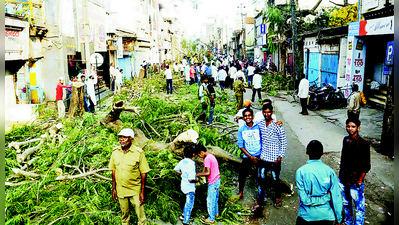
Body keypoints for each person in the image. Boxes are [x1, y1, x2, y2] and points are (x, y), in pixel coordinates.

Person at [109, 128, 151, 225]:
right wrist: (114, 189)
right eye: (120, 137)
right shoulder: (115, 152)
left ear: (131, 139)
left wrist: (142, 192)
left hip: (135, 190)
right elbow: (113, 171)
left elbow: (144, 173)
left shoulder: (138, 153)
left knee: (141, 217)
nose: (121, 139)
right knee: (124, 216)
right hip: (121, 190)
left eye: (125, 137)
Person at [296, 140, 343, 225]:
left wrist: (326, 197)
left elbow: (305, 200)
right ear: (322, 153)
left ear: (307, 152)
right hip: (326, 217)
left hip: (306, 217)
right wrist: (339, 219)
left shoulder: (300, 172)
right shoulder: (329, 172)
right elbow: (336, 197)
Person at [339, 118, 370, 225]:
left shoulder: (364, 144)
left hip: (355, 180)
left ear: (358, 128)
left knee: (359, 206)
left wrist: (360, 180)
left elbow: (366, 165)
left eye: (353, 126)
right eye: (348, 126)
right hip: (344, 178)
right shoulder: (345, 140)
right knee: (346, 203)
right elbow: (343, 159)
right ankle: (348, 222)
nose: (350, 129)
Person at [257, 104, 287, 209]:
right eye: (264, 112)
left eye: (268, 112)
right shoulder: (260, 124)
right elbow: (250, 124)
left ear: (272, 113)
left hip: (274, 158)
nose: (266, 114)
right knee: (261, 177)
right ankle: (261, 197)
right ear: (262, 113)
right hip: (264, 156)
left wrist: (280, 157)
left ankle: (277, 197)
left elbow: (283, 141)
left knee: (275, 178)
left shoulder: (277, 125)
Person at [237, 108, 262, 200]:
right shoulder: (241, 130)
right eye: (245, 116)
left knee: (261, 175)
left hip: (259, 155)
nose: (248, 117)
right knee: (242, 174)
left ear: (253, 116)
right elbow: (241, 145)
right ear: (243, 118)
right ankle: (240, 192)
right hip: (248, 155)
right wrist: (250, 156)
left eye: (249, 115)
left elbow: (263, 140)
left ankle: (260, 194)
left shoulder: (259, 127)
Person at [195, 144, 221, 224]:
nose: (199, 156)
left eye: (199, 155)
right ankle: (216, 214)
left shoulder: (207, 159)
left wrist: (197, 174)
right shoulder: (211, 156)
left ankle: (211, 218)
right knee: (215, 199)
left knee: (210, 200)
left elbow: (207, 173)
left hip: (213, 182)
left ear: (202, 152)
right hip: (217, 179)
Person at [174, 146, 199, 225]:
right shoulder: (192, 164)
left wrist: (182, 173)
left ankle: (183, 215)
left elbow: (175, 169)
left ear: (184, 154)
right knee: (189, 204)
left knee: (187, 202)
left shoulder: (182, 162)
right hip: (190, 187)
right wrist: (197, 180)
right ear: (193, 154)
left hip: (183, 185)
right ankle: (186, 221)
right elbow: (191, 179)